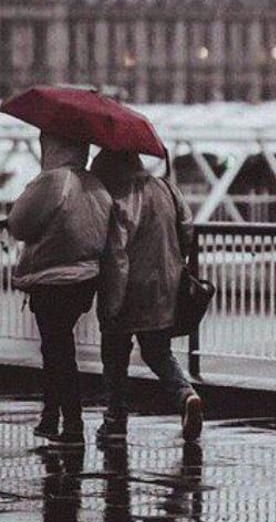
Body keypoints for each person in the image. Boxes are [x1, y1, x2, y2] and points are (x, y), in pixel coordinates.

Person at [92, 149, 202, 445]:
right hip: (165, 284)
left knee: (114, 355)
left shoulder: (117, 197)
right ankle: (185, 395)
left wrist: (108, 296)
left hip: (126, 286)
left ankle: (115, 420)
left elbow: (114, 250)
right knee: (157, 351)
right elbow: (187, 230)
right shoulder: (166, 188)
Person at [8, 133, 112, 445]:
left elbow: (19, 224)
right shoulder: (95, 184)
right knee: (58, 347)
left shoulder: (52, 181)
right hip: (85, 279)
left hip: (53, 277)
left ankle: (70, 423)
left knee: (58, 351)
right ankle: (52, 417)